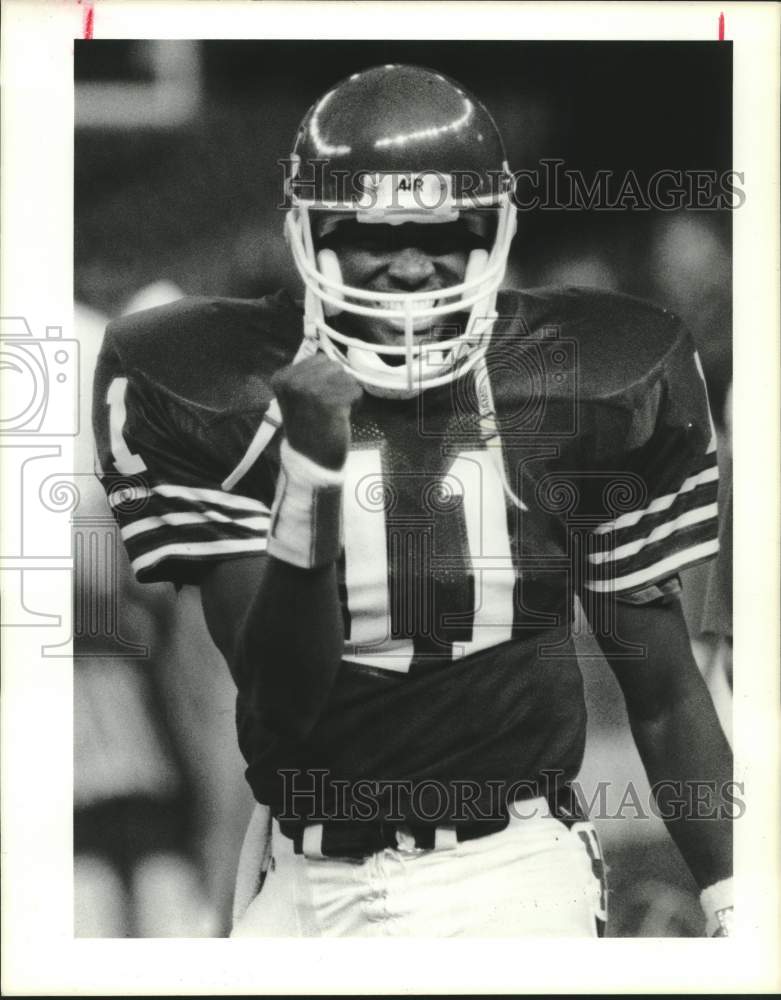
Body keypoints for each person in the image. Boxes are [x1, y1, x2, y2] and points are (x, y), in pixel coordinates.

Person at [92, 64, 733, 937]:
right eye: (371, 232)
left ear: (491, 233)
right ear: (310, 234)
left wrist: (734, 902)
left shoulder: (591, 376)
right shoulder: (215, 385)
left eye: (442, 231)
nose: (407, 263)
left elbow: (663, 695)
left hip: (505, 869)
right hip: (299, 871)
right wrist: (311, 476)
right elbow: (281, 699)